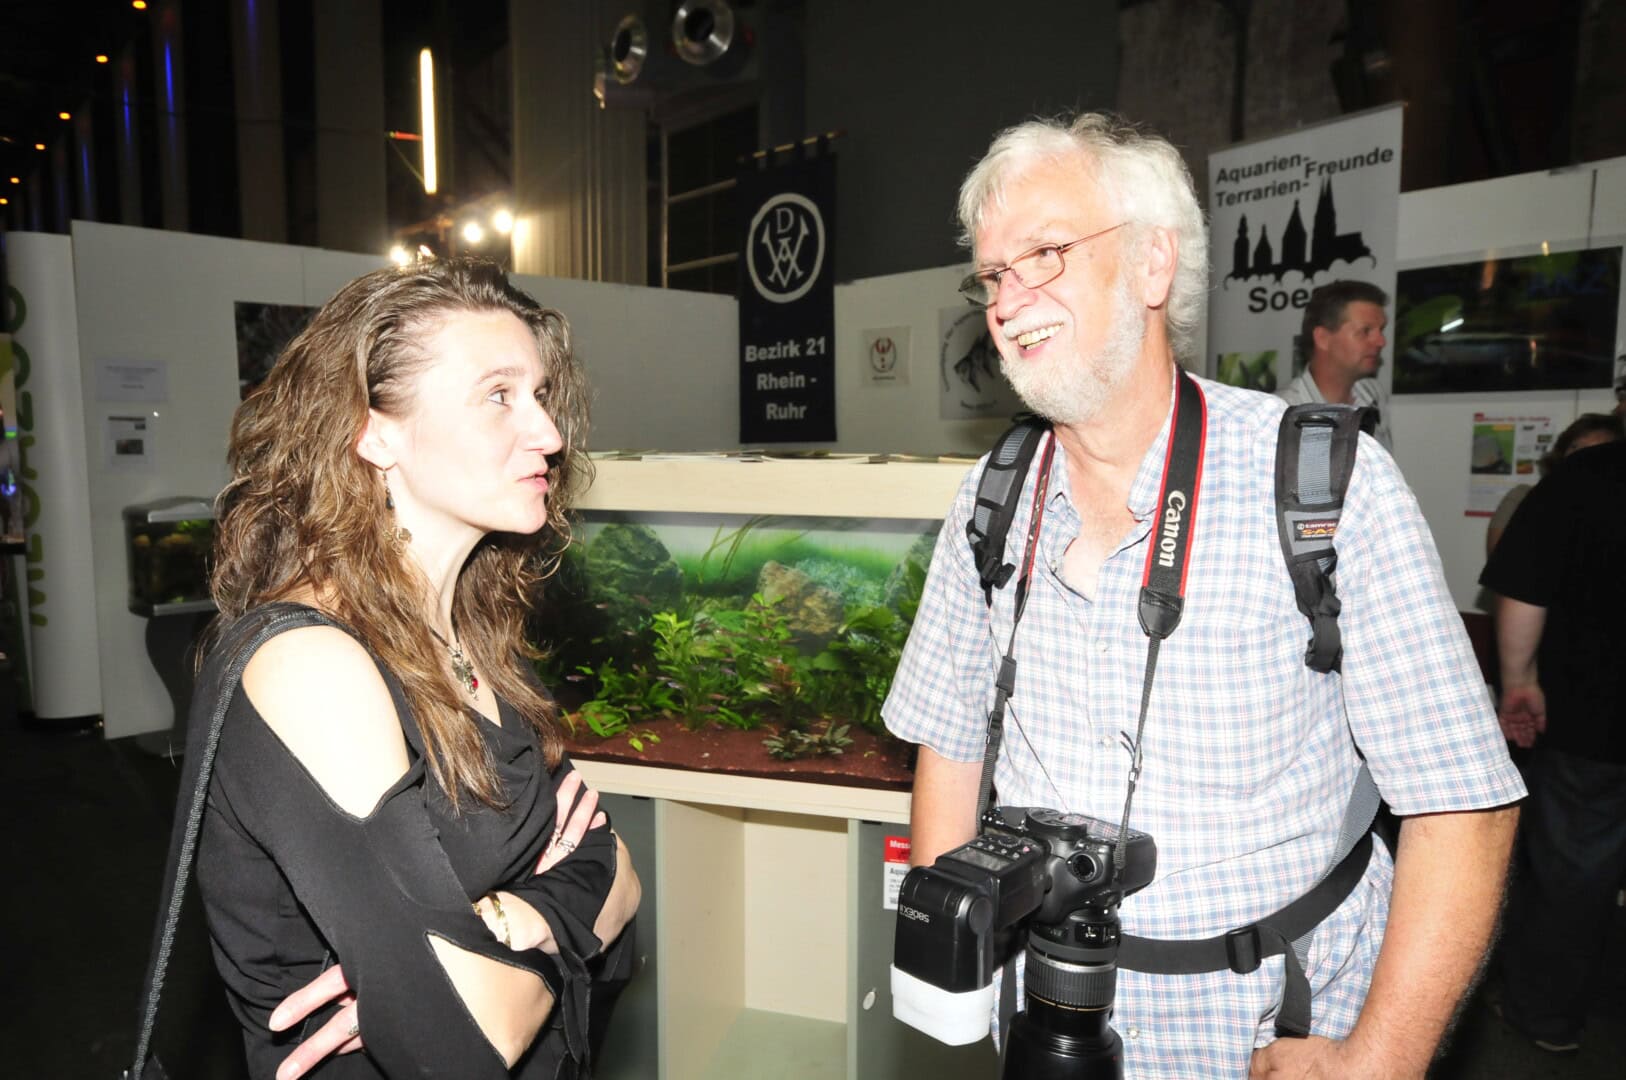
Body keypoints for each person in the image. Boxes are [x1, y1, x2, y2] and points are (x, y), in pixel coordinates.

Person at [883, 113, 1524, 1078]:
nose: (1009, 302)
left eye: (1045, 255)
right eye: (994, 274)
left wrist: (1380, 1060)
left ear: (1152, 264)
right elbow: (949, 744)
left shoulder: (1322, 487)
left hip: (1267, 1026)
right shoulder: (991, 498)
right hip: (1042, 1015)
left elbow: (1463, 804)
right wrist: (958, 991)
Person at [194, 258, 641, 1079]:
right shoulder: (311, 666)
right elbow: (465, 1041)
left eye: (540, 395)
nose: (548, 434)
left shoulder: (472, 635)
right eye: (498, 395)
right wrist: (566, 914)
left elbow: (621, 875)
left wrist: (517, 919)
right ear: (373, 432)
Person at [1480, 434, 1626, 1054]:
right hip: (1596, 723)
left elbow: (1522, 588)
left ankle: (1545, 1018)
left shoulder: (1589, 477)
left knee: (1572, 873)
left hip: (1595, 719)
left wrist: (1518, 682)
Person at [1278, 280, 1395, 453]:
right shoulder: (1284, 412)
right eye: (1365, 331)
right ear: (1323, 338)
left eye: (1381, 330)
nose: (1381, 342)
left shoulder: (1372, 394)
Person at [1484, 412, 1623, 557]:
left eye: (1593, 451)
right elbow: (1500, 557)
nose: (1580, 457)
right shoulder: (1524, 496)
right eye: (1575, 448)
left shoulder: (1614, 508)